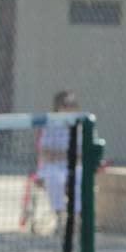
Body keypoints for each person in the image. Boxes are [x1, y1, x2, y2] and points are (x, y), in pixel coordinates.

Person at [37, 90, 82, 233]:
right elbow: (45, 153)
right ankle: (60, 218)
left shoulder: (81, 125)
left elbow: (82, 155)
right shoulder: (51, 124)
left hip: (75, 167)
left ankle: (74, 220)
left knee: (79, 177)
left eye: (73, 105)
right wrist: (68, 155)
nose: (69, 108)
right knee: (54, 178)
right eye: (66, 105)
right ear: (58, 107)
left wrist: (62, 155)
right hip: (53, 166)